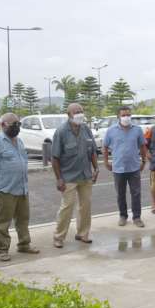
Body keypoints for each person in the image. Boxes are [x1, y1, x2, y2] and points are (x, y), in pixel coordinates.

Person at [0, 113, 39, 261]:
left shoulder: (20, 141)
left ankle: (24, 244)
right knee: (3, 222)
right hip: (5, 190)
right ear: (2, 125)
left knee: (23, 219)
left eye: (18, 124)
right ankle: (2, 249)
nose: (16, 127)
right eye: (13, 124)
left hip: (22, 188)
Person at [52, 103, 99, 248]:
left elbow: (92, 151)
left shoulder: (86, 129)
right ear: (69, 115)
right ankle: (58, 237)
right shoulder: (61, 132)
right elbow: (55, 158)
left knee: (86, 206)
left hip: (85, 175)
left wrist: (96, 168)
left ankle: (83, 233)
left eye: (81, 111)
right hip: (68, 177)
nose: (79, 114)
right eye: (76, 112)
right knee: (67, 207)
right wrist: (59, 179)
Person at [104, 106, 147, 228]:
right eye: (123, 115)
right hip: (118, 168)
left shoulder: (137, 130)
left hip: (134, 168)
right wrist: (106, 162)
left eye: (128, 115)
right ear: (118, 116)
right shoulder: (111, 130)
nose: (126, 117)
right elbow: (105, 147)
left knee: (136, 193)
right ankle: (123, 216)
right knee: (120, 194)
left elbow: (143, 146)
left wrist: (143, 161)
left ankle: (137, 217)